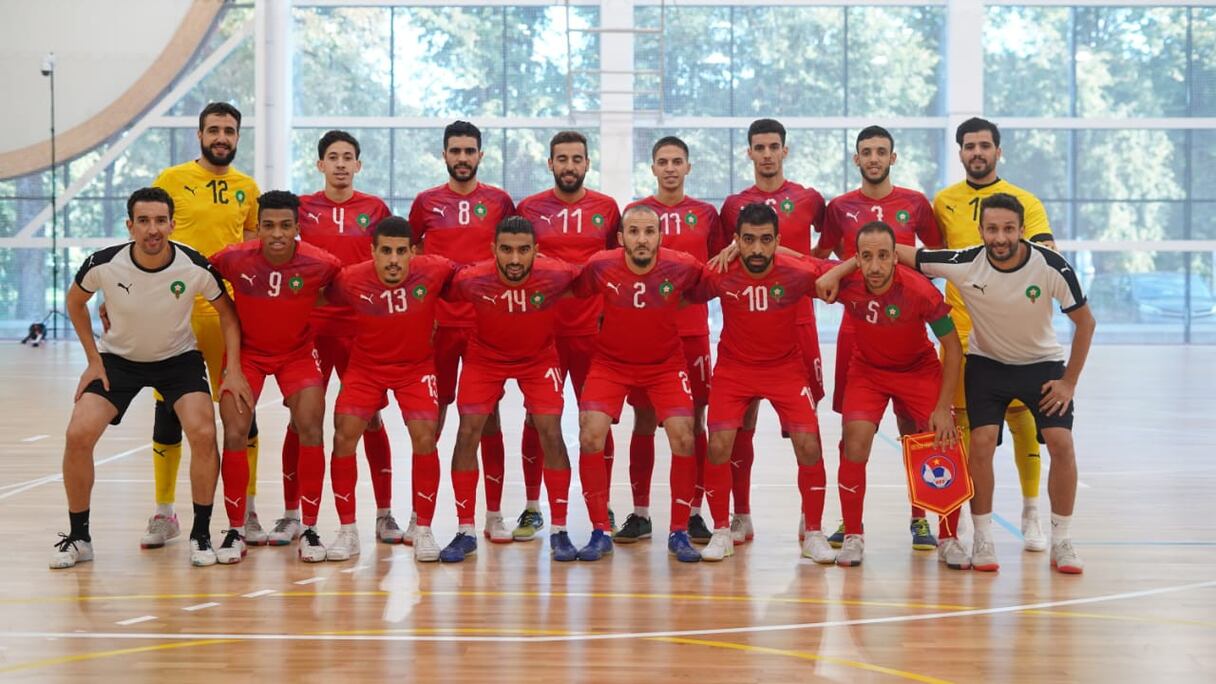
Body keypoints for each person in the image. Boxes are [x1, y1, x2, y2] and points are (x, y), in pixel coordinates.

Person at [875, 193, 1094, 573]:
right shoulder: (965, 262)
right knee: (980, 442)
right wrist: (853, 261)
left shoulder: (1051, 265)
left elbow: (1085, 323)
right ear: (980, 231)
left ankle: (1062, 540)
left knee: (1061, 443)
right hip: (988, 366)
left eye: (1008, 229)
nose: (1000, 237)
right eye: (992, 229)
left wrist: (1068, 383)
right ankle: (982, 537)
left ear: (1021, 230)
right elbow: (901, 253)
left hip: (1041, 365)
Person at [51, 187, 252, 569]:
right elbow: (75, 302)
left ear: (173, 224)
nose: (153, 229)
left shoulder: (193, 265)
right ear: (130, 226)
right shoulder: (103, 263)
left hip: (178, 360)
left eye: (160, 220)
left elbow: (228, 314)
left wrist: (234, 370)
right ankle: (79, 538)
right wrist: (93, 359)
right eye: (143, 221)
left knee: (203, 433)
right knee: (78, 434)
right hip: (118, 361)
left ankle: (200, 534)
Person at [812, 125, 945, 551]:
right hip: (857, 332)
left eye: (880, 151)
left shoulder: (915, 203)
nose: (873, 158)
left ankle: (920, 517)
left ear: (893, 157)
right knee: (854, 431)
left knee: (915, 430)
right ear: (856, 159)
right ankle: (849, 521)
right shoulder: (839, 207)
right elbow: (820, 259)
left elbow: (936, 258)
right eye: (866, 152)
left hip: (906, 329)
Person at [139, 102, 262, 548]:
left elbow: (254, 255)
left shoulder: (248, 188)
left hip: (227, 316)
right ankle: (164, 512)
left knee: (240, 413)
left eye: (229, 130)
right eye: (214, 130)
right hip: (176, 315)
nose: (221, 137)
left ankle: (247, 511)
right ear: (200, 135)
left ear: (238, 137)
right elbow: (149, 241)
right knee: (168, 411)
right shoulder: (171, 180)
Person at [933, 117, 1057, 551]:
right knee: (967, 428)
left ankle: (1031, 513)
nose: (977, 152)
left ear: (998, 151)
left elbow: (1046, 255)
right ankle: (971, 516)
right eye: (969, 146)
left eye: (985, 145)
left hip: (1013, 337)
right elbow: (932, 257)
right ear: (960, 153)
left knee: (1023, 422)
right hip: (962, 337)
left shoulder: (1025, 202)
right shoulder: (944, 202)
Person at [693, 203, 842, 563]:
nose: (757, 249)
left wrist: (791, 253)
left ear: (777, 240)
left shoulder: (797, 272)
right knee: (719, 444)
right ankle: (722, 530)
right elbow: (681, 288)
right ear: (736, 240)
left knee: (809, 443)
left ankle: (814, 532)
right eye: (748, 240)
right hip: (734, 369)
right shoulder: (719, 271)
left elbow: (839, 271)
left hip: (785, 369)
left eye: (765, 240)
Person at [816, 221, 964, 568]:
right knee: (854, 441)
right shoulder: (849, 282)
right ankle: (853, 535)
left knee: (942, 440)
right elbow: (806, 269)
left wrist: (943, 407)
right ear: (856, 260)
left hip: (918, 370)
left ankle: (949, 538)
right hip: (868, 372)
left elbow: (953, 348)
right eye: (867, 257)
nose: (875, 266)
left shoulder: (921, 291)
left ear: (897, 257)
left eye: (884, 256)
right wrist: (844, 268)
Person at [276, 130, 396, 547]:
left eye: (348, 157)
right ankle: (292, 515)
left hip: (361, 330)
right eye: (333, 157)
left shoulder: (375, 208)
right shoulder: (302, 208)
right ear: (320, 164)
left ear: (358, 165)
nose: (341, 164)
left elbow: (392, 261)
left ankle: (384, 515)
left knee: (371, 419)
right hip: (310, 330)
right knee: (301, 420)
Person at [437, 217, 580, 563]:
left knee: (551, 431)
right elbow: (435, 288)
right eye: (506, 250)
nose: (515, 259)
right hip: (485, 358)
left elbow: (596, 280)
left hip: (539, 358)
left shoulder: (558, 274)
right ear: (493, 250)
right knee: (467, 432)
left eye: (523, 250)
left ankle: (560, 530)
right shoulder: (472, 278)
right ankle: (466, 529)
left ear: (536, 251)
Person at [209, 190, 341, 564]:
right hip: (247, 355)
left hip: (297, 354)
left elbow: (342, 291)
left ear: (298, 228)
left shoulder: (321, 263)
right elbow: (194, 276)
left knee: (311, 426)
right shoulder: (232, 258)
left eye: (285, 226)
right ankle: (235, 529)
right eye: (268, 226)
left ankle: (308, 527)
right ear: (259, 228)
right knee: (235, 430)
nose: (277, 234)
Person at [570, 205, 705, 563]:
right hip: (611, 364)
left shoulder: (683, 265)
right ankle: (600, 531)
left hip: (665, 365)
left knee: (684, 435)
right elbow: (573, 288)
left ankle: (679, 531)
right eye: (634, 232)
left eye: (649, 232)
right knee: (590, 433)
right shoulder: (601, 265)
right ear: (621, 238)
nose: (642, 239)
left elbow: (710, 284)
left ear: (660, 236)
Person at [717, 118, 826, 544]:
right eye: (759, 147)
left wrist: (800, 266)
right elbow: (727, 257)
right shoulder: (734, 205)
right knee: (740, 424)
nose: (766, 154)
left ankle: (809, 519)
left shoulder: (809, 199)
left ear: (785, 150)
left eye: (773, 146)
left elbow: (825, 250)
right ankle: (740, 514)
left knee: (805, 427)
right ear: (748, 153)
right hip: (750, 325)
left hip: (799, 324)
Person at [322, 217, 456, 562]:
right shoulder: (350, 279)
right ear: (373, 252)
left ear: (413, 252)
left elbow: (468, 280)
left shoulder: (436, 270)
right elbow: (321, 296)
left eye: (400, 251)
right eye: (386, 251)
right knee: (343, 435)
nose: (393, 259)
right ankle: (348, 531)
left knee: (425, 436)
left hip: (416, 369)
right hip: (365, 369)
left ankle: (422, 528)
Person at [408, 121, 516, 544]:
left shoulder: (499, 201)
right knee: (430, 419)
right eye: (456, 151)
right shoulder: (426, 202)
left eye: (470, 151)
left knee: (486, 419)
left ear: (481, 155)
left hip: (483, 327)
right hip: (436, 327)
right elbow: (410, 252)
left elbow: (514, 254)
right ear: (444, 155)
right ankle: (420, 516)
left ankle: (493, 514)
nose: (463, 158)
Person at [515, 130, 621, 541]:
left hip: (593, 333)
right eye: (562, 159)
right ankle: (532, 507)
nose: (570, 166)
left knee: (597, 421)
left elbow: (618, 263)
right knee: (536, 418)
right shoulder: (530, 208)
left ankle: (602, 504)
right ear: (550, 164)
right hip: (542, 333)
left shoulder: (607, 209)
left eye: (577, 159)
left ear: (587, 163)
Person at [618, 136, 721, 545]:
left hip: (692, 333)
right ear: (653, 168)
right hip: (645, 334)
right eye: (663, 161)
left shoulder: (706, 214)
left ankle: (693, 513)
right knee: (643, 420)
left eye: (677, 161)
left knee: (694, 422)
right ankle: (641, 513)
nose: (671, 168)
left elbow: (717, 269)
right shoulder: (636, 214)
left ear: (688, 167)